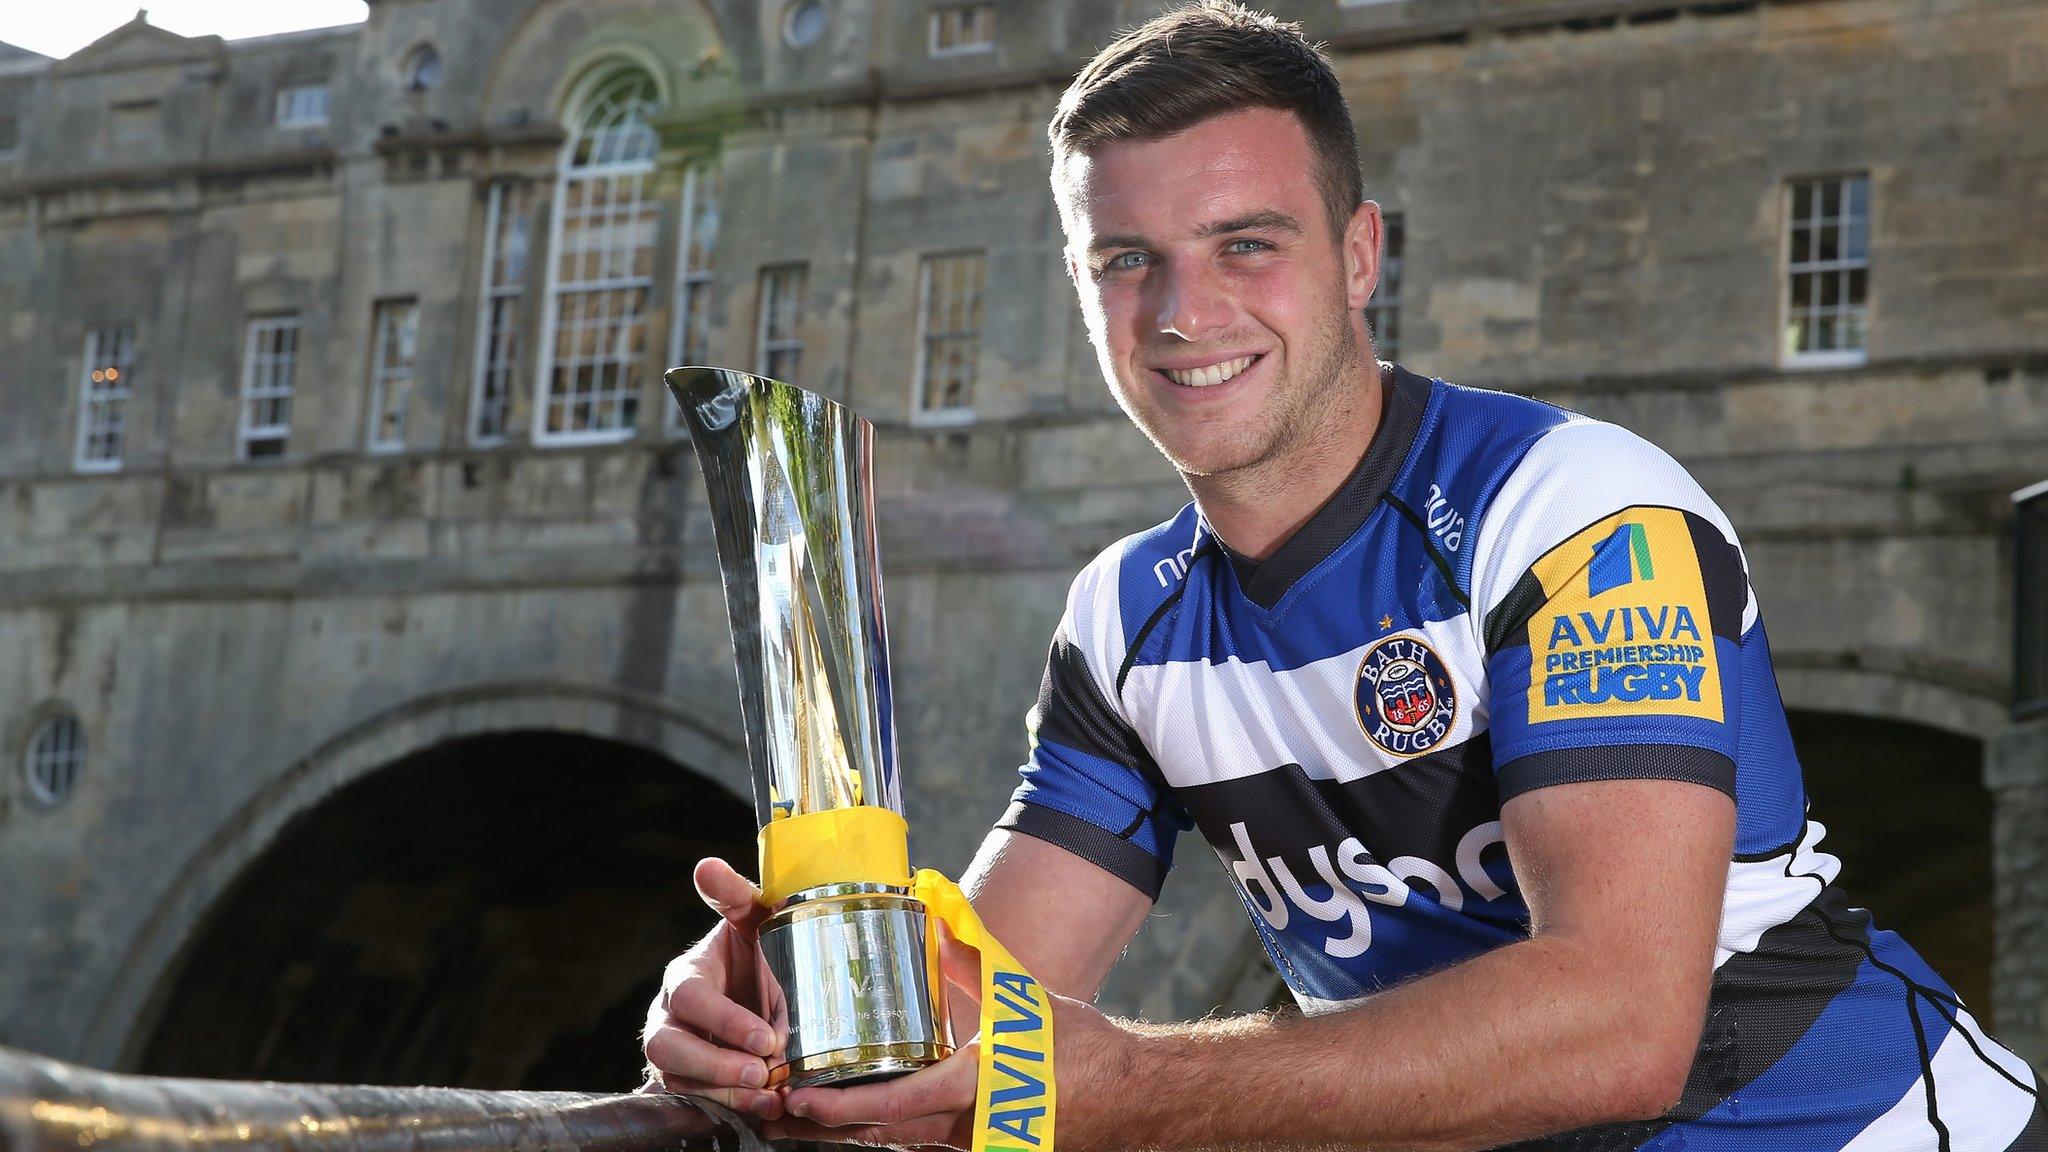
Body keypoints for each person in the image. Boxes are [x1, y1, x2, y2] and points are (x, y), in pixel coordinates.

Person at [641, 3, 2044, 1147]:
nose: (1185, 313)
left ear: (1360, 254)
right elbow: (987, 1018)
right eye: (1126, 262)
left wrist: (1118, 1082)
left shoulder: (1572, 511)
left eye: (1247, 244)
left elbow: (1619, 1029)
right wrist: (790, 1012)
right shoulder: (1126, 621)